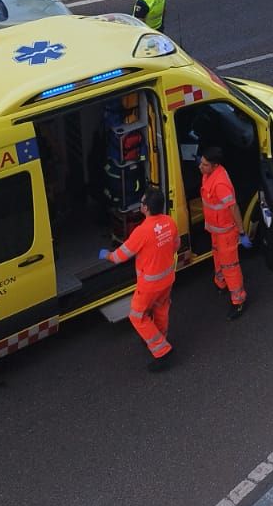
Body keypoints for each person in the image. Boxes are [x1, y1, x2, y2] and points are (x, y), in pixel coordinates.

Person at [100, 188, 179, 370]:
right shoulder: (169, 222)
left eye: (142, 203)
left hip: (149, 285)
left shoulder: (141, 231)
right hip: (167, 278)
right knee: (161, 310)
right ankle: (160, 338)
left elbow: (120, 256)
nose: (141, 205)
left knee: (136, 316)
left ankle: (161, 350)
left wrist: (107, 255)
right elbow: (175, 245)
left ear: (146, 208)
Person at [198, 146, 248, 320]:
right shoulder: (210, 174)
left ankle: (239, 301)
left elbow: (233, 208)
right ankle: (221, 283)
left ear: (214, 165)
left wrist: (241, 232)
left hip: (226, 232)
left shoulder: (220, 184)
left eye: (204, 164)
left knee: (230, 266)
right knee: (218, 258)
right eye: (201, 163)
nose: (200, 167)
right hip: (216, 229)